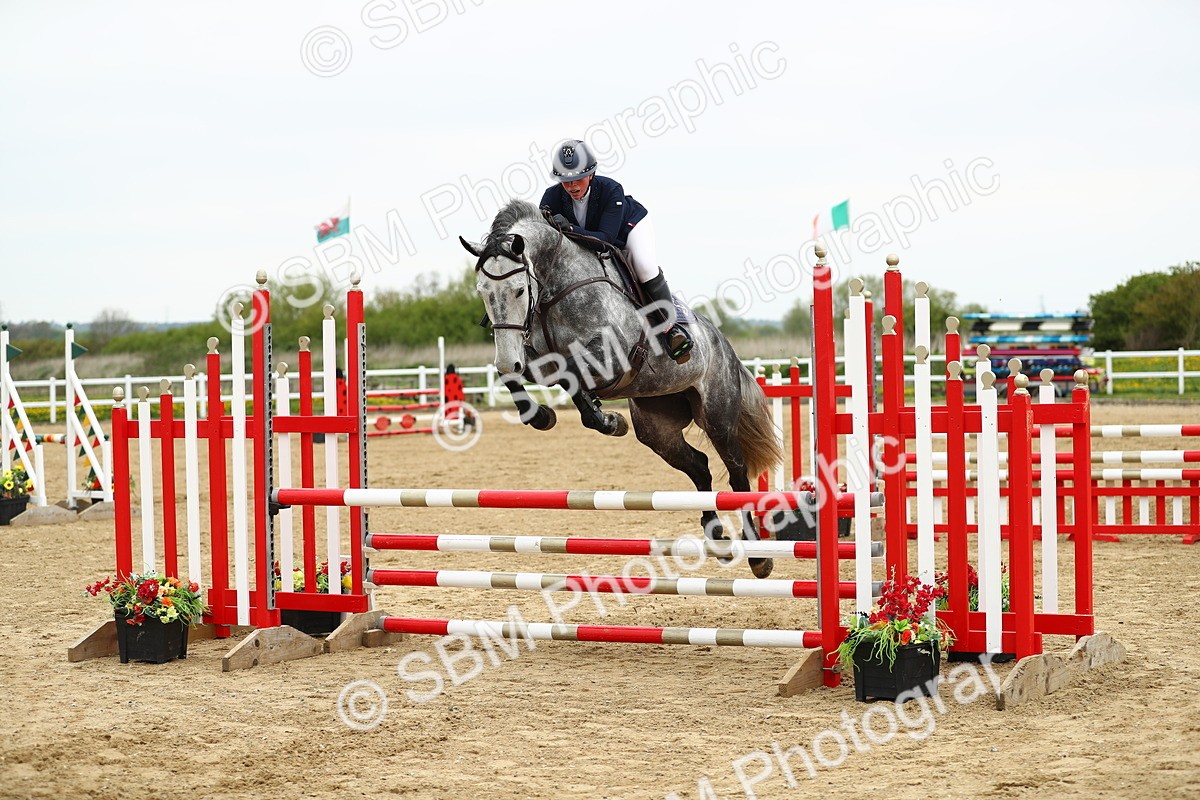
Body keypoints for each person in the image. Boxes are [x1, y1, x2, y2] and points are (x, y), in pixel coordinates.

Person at [539, 139, 694, 364]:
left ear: (591, 174)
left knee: (644, 266)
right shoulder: (551, 197)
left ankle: (671, 329)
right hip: (587, 241)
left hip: (628, 228)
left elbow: (606, 240)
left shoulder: (611, 189)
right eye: (565, 181)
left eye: (577, 178)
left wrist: (570, 229)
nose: (572, 186)